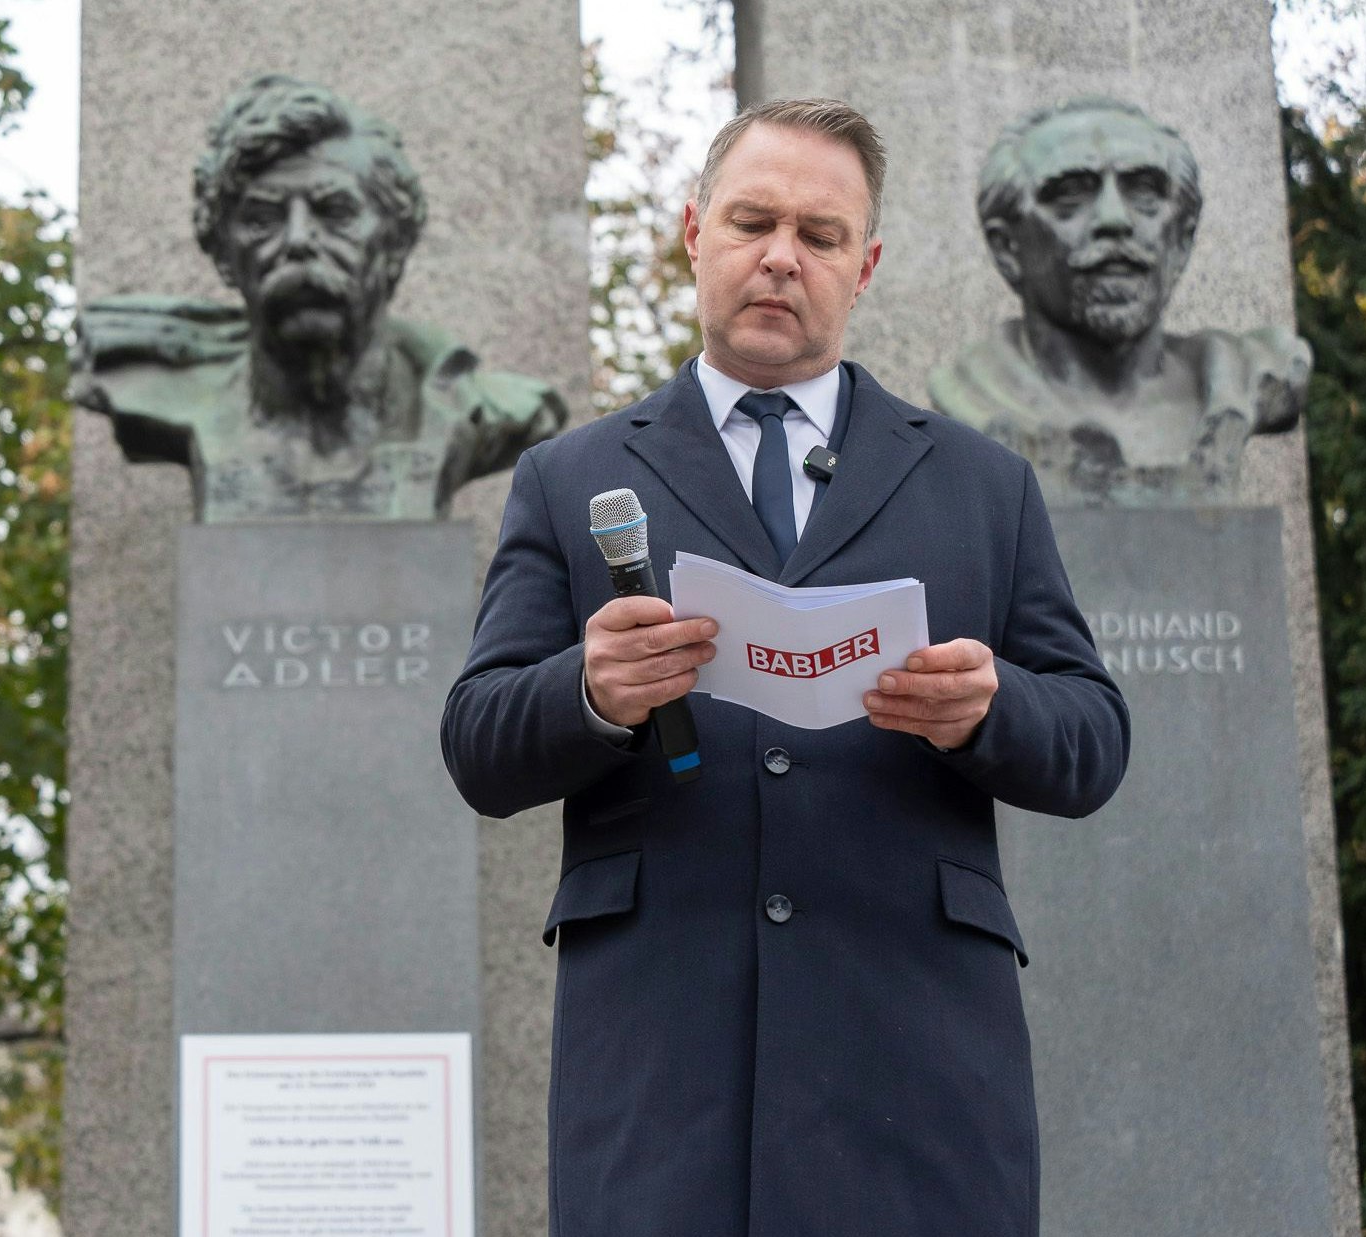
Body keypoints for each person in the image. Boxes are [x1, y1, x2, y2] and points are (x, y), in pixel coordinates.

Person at [439, 98, 1129, 1235]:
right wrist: (591, 691)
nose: (779, 256)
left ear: (864, 267)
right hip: (660, 1071)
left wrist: (986, 708)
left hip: (916, 1068)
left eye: (817, 235)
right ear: (692, 232)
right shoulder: (568, 477)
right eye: (752, 220)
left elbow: (1093, 739)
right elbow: (477, 741)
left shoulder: (979, 484)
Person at [70, 74, 564, 521]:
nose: (298, 240)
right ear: (223, 252)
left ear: (394, 242)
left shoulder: (490, 408)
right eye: (262, 218)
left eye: (335, 211)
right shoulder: (145, 386)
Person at [929, 96, 1308, 506]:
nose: (1115, 219)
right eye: (1070, 198)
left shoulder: (1250, 378)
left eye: (1144, 193)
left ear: (1181, 239)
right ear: (1007, 249)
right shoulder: (969, 404)